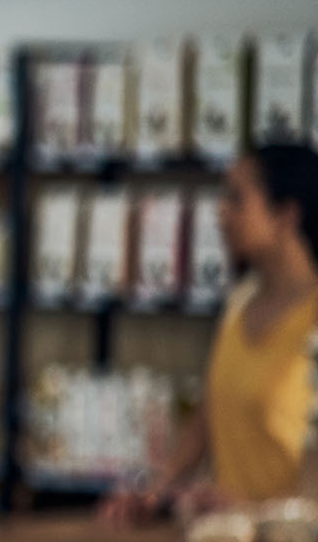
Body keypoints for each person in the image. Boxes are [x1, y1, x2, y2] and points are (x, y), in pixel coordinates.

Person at [101, 144, 318, 525]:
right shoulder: (240, 303)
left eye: (237, 199)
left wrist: (253, 512)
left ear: (286, 215)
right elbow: (208, 412)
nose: (220, 213)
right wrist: (158, 490)